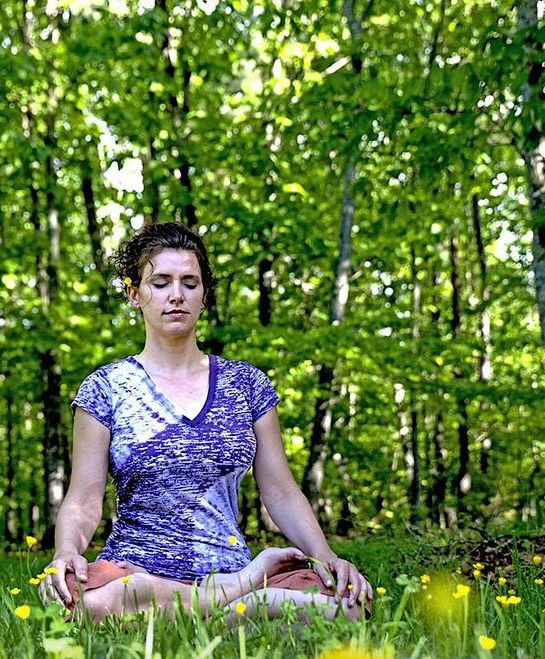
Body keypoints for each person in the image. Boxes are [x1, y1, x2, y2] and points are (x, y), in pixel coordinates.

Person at [39, 221, 372, 622]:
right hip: (135, 570)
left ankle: (202, 606)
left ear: (204, 296)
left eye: (189, 283)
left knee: (350, 606)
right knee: (69, 601)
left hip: (223, 563)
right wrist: (66, 553)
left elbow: (281, 492)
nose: (176, 295)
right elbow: (84, 499)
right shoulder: (105, 388)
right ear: (134, 294)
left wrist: (326, 557)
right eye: (160, 282)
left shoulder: (246, 384)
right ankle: (243, 601)